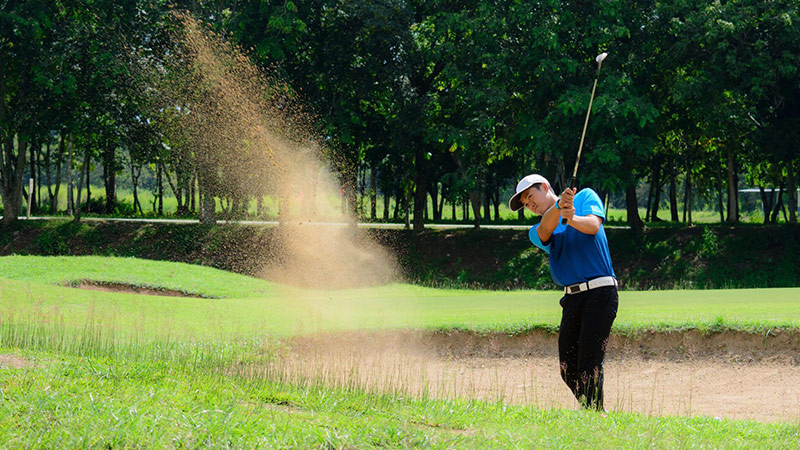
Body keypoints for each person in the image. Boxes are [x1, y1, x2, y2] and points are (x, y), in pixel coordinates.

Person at [508, 174, 618, 411]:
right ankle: (594, 412)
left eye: (530, 196)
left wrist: (572, 216)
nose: (530, 204)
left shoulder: (585, 196)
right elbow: (546, 229)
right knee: (567, 367)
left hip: (600, 290)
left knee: (589, 361)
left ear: (545, 187)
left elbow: (593, 226)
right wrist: (560, 208)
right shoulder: (537, 230)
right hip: (572, 298)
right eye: (526, 204)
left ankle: (595, 415)